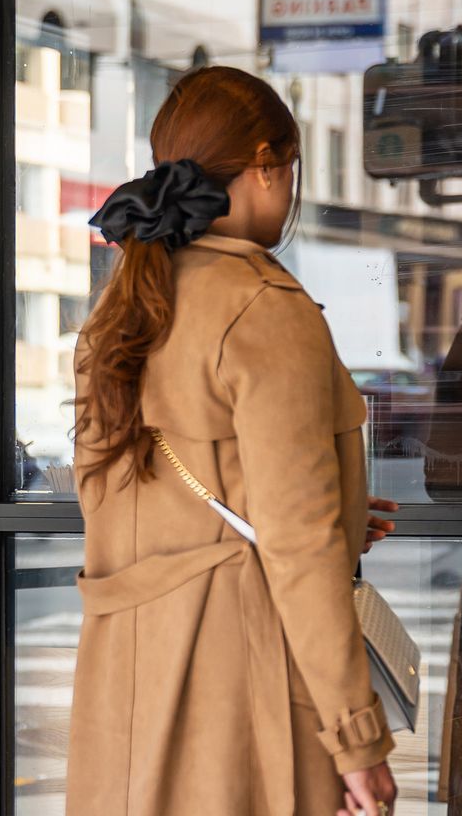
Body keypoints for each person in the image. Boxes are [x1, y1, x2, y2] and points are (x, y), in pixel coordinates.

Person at [67, 66, 399, 816]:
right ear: (265, 166)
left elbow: (111, 502)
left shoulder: (118, 309)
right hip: (241, 685)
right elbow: (299, 545)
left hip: (125, 684)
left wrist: (335, 509)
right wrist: (358, 743)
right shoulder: (263, 306)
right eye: (290, 169)